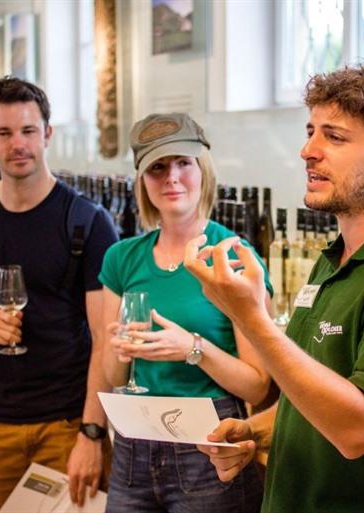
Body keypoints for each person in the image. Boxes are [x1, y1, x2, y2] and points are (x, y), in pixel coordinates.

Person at [187, 64, 364, 512]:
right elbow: (318, 394)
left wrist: (250, 317)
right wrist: (255, 430)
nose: (307, 151)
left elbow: (358, 429)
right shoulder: (336, 256)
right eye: (310, 132)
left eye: (334, 137)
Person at [0, 77, 118, 513]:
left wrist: (92, 434)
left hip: (67, 424)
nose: (18, 144)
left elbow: (104, 338)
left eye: (28, 130)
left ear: (47, 133)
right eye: (4, 133)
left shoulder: (87, 222)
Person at [100, 112, 271, 513]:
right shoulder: (122, 258)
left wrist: (193, 348)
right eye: (157, 167)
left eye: (183, 163)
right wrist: (120, 352)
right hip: (133, 445)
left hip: (208, 446)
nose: (172, 178)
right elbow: (113, 378)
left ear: (203, 170)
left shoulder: (234, 256)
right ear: (142, 180)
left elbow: (257, 387)